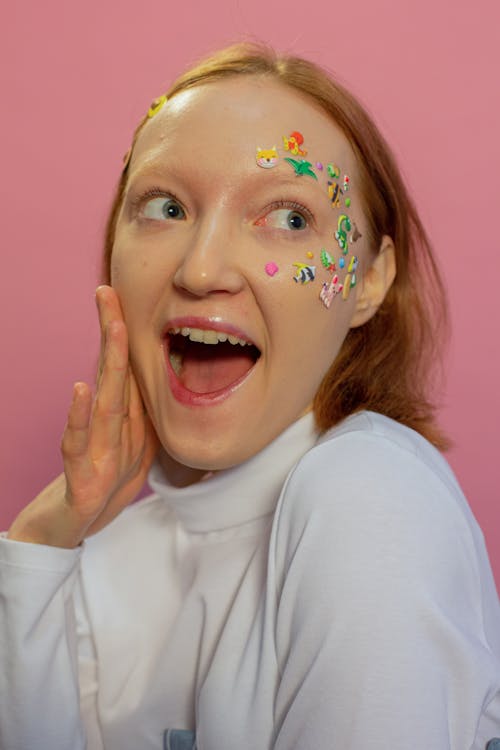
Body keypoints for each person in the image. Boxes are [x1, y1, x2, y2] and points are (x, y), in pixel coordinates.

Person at [1, 42, 499, 750]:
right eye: (165, 206)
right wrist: (42, 540)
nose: (202, 269)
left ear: (369, 281)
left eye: (290, 218)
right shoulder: (102, 559)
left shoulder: (368, 492)